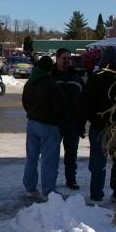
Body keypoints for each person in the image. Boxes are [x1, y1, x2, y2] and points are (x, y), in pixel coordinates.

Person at [22, 55, 68, 199]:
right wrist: (59, 119)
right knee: (49, 159)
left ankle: (30, 188)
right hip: (48, 125)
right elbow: (60, 107)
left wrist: (32, 112)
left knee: (31, 158)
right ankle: (48, 191)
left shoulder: (29, 83)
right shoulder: (50, 84)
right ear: (49, 69)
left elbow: (25, 103)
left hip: (31, 123)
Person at [82, 45, 116, 203]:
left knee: (99, 162)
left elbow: (85, 103)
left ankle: (97, 194)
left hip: (99, 127)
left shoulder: (95, 78)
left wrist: (81, 124)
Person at [51, 48, 85, 190]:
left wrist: (81, 124)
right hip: (54, 124)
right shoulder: (50, 77)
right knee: (52, 155)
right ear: (57, 59)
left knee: (71, 155)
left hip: (72, 123)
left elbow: (84, 103)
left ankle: (71, 180)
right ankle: (50, 181)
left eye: (69, 58)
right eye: (64, 58)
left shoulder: (76, 78)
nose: (67, 61)